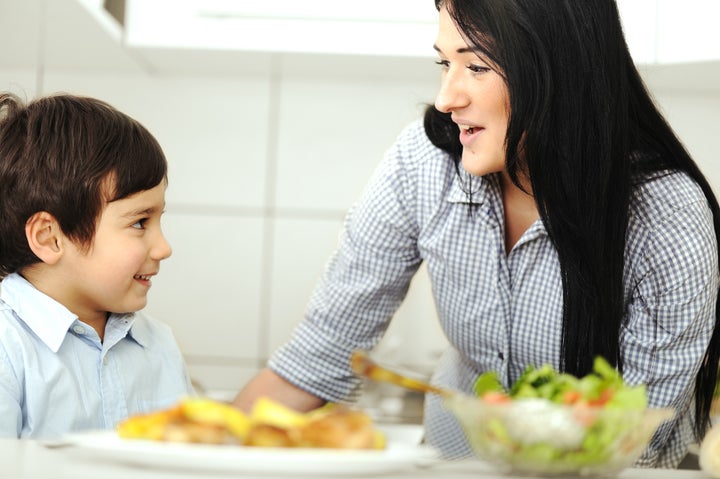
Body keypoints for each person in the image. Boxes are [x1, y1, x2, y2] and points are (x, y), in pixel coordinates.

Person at [234, 0, 720, 468]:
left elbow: (629, 438)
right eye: (444, 63)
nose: (447, 98)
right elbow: (317, 359)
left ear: (560, 68)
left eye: (477, 67)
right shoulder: (424, 164)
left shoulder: (666, 215)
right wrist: (197, 448)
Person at [0, 92, 195, 438]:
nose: (164, 248)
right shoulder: (8, 347)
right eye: (140, 222)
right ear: (50, 238)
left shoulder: (158, 344)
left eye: (158, 219)